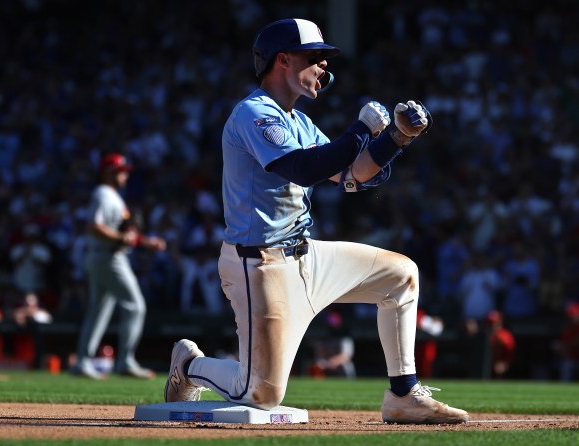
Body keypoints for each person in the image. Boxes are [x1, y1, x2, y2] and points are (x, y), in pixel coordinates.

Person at [164, 18, 468, 424]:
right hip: (260, 265)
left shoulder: (300, 121)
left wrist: (395, 138)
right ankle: (189, 364)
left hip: (307, 255)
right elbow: (303, 169)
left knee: (401, 275)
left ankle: (403, 394)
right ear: (284, 60)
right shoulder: (254, 112)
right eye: (315, 57)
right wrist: (362, 129)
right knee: (261, 394)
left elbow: (355, 174)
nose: (324, 66)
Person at [71, 153, 166, 380]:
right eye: (120, 171)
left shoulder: (112, 196)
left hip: (104, 255)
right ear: (108, 172)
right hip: (109, 257)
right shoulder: (104, 194)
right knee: (135, 306)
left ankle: (83, 361)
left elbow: (125, 235)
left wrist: (144, 242)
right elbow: (94, 226)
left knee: (98, 311)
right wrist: (120, 239)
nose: (125, 175)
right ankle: (125, 361)